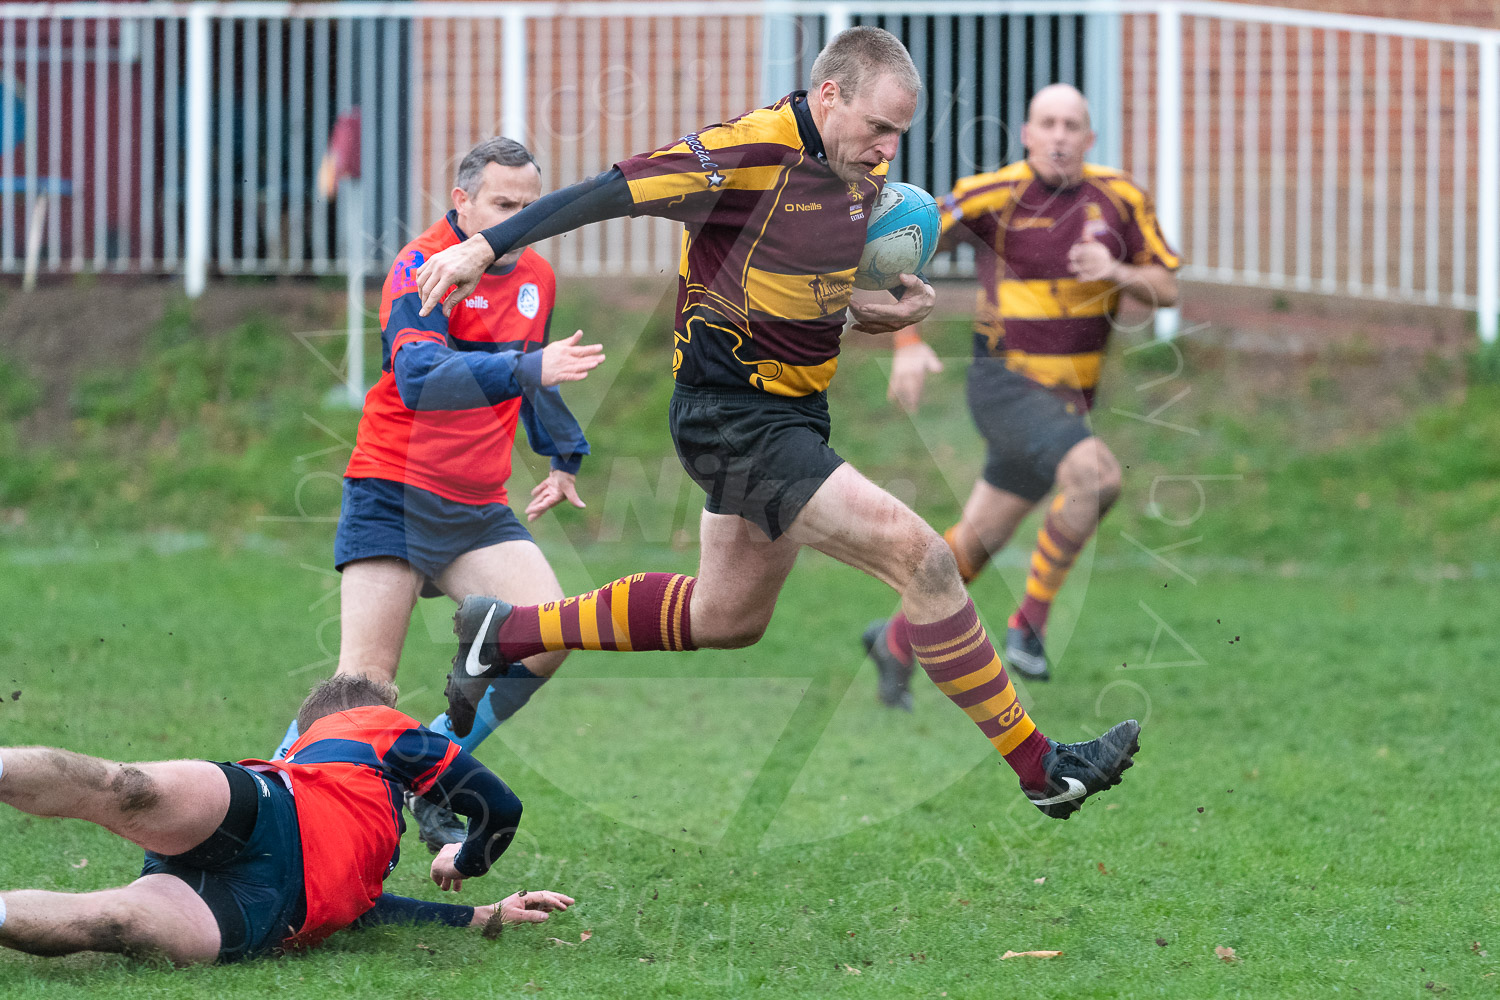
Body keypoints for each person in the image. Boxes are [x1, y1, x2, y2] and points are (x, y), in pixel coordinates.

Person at [412, 29, 1139, 819]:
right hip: (733, 418)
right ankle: (1043, 770)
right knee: (922, 558)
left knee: (726, 617)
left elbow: (796, 280)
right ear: (829, 96)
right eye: (879, 126)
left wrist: (875, 312)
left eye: (901, 132)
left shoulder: (864, 174)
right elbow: (606, 192)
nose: (889, 147)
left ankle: (505, 632)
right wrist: (484, 245)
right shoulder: (745, 152)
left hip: (793, 414)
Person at [270, 137, 605, 851]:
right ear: (463, 203)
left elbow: (533, 376)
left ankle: (433, 766)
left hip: (475, 504)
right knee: (360, 686)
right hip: (393, 489)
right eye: (504, 205)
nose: (520, 220)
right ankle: (270, 799)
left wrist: (562, 456)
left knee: (548, 636)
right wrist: (526, 367)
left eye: (530, 207)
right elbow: (420, 376)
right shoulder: (422, 267)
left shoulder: (536, 274)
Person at [864, 83, 1180, 704]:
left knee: (975, 544)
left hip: (1067, 402)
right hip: (1005, 385)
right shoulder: (993, 194)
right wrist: (906, 343)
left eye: (1072, 125)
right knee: (1098, 478)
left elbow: (1167, 287)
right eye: (1048, 123)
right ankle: (1029, 626)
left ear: (1089, 139)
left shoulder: (1120, 198)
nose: (1060, 135)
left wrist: (1117, 272)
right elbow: (898, 245)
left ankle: (895, 640)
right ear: (1028, 135)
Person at [0, 674, 574, 965]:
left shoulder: (374, 826)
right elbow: (500, 808)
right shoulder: (376, 725)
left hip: (270, 910)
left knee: (118, 918)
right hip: (273, 813)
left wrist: (483, 915)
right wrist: (464, 861)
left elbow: (365, 911)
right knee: (124, 787)